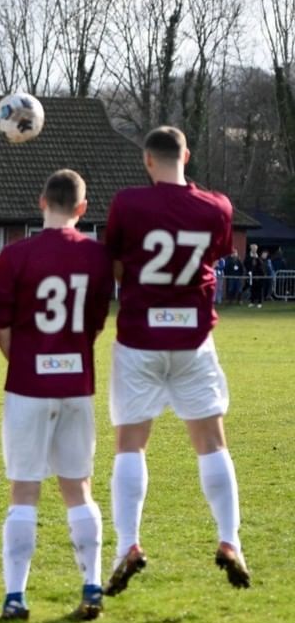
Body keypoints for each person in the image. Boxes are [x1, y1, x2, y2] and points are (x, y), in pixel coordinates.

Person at [104, 126, 249, 597]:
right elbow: (213, 258)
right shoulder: (218, 207)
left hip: (141, 335)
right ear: (187, 154)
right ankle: (230, 540)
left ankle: (128, 543)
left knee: (131, 444)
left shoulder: (128, 204)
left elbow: (118, 266)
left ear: (147, 159)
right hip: (193, 339)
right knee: (211, 443)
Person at [0, 170, 115, 621]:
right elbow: (97, 320)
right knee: (78, 488)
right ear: (83, 209)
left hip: (28, 384)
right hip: (76, 382)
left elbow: (1, 326)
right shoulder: (98, 257)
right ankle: (91, 585)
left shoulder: (14, 255)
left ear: (41, 201)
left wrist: (24, 362)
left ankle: (15, 596)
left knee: (24, 491)